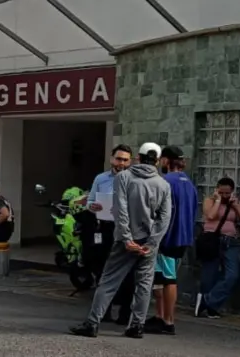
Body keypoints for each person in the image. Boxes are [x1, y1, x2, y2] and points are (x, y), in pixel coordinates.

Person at [70, 142, 171, 339]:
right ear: (157, 161)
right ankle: (136, 326)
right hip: (148, 243)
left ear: (138, 158)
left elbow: (120, 210)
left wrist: (126, 238)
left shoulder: (124, 177)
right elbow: (164, 218)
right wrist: (151, 244)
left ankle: (92, 324)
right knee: (143, 285)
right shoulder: (163, 184)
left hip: (125, 240)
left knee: (108, 282)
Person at [147, 146, 198, 335]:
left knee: (168, 280)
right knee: (161, 278)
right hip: (183, 237)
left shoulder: (165, 182)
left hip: (168, 238)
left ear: (166, 161)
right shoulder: (189, 183)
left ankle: (168, 321)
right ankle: (159, 316)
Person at [86, 144, 134, 324]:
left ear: (130, 162)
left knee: (128, 273)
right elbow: (90, 200)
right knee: (102, 270)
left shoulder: (134, 180)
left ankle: (125, 313)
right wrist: (92, 206)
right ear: (111, 159)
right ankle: (103, 311)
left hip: (126, 229)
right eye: (118, 158)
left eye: (125, 160)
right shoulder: (101, 178)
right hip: (106, 227)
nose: (121, 163)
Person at [195, 177, 240, 319]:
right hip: (212, 240)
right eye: (222, 192)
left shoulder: (236, 203)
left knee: (232, 275)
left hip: (230, 241)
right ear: (217, 190)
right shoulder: (210, 201)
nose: (225, 196)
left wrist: (237, 206)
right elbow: (211, 215)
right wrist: (218, 201)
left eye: (227, 193)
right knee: (210, 275)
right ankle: (206, 309)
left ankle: (209, 301)